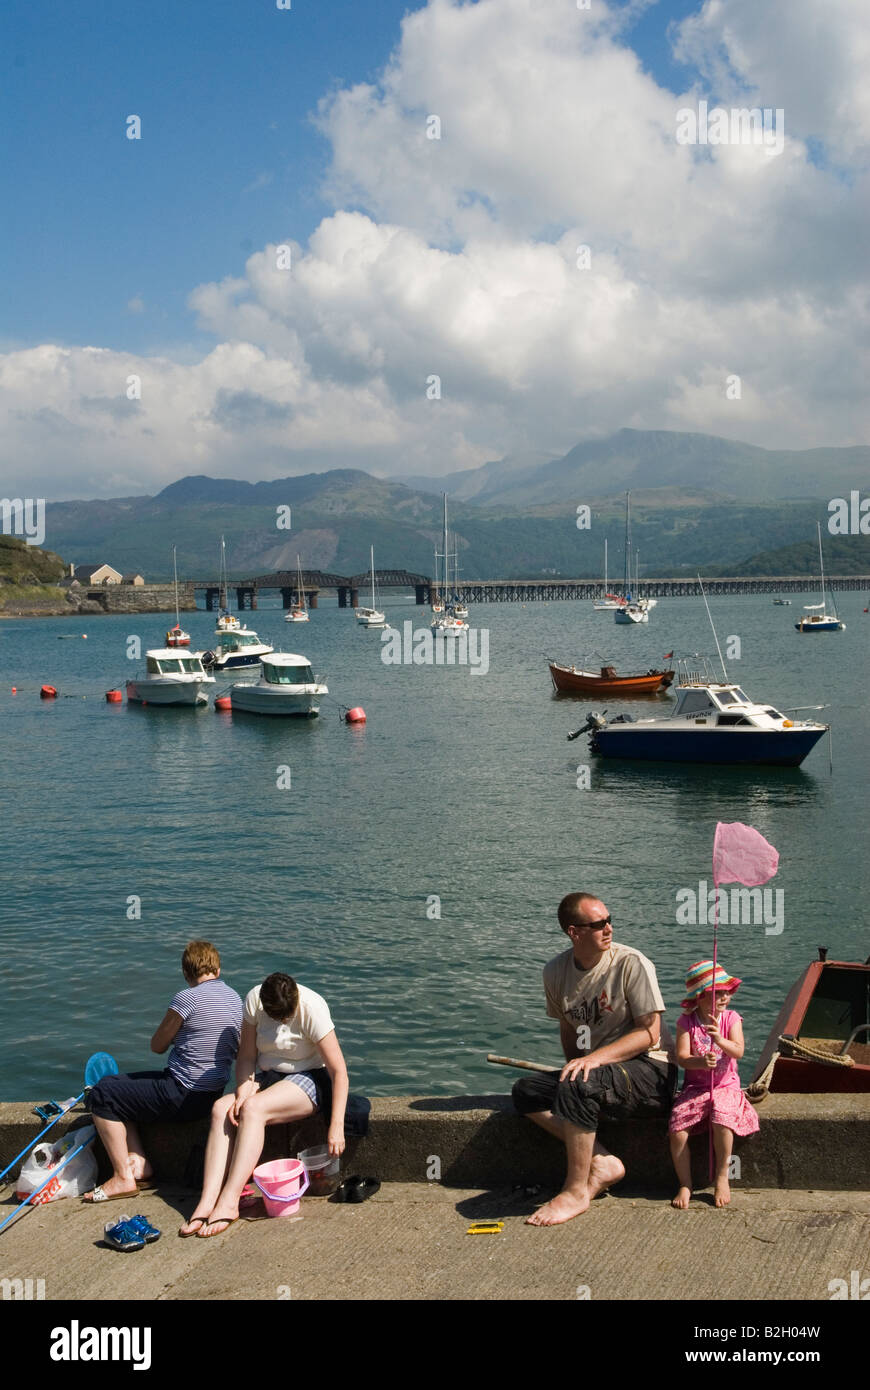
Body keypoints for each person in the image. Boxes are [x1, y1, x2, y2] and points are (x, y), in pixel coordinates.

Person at [513, 892, 675, 1226]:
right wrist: (575, 1065)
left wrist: (593, 1062)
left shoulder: (632, 963)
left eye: (609, 920)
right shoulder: (555, 972)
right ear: (574, 932)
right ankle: (603, 1162)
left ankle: (574, 1193)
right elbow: (568, 1029)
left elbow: (649, 1032)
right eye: (598, 924)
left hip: (650, 1068)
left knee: (580, 1082)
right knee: (526, 1092)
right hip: (600, 1072)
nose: (608, 928)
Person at [181, 971, 349, 1238]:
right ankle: (207, 1200)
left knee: (253, 1109)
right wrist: (244, 1089)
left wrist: (337, 1125)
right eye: (278, 1018)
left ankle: (229, 1200)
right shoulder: (254, 1001)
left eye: (287, 1016)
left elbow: (339, 1071)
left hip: (309, 1078)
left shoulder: (312, 1007)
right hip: (268, 1076)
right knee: (220, 1109)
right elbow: (246, 1056)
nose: (283, 1022)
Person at [83, 940, 243, 1202]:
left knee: (103, 1092)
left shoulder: (186, 998)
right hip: (210, 1095)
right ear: (218, 969)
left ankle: (122, 1177)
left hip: (180, 1094)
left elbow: (157, 1045)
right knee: (122, 1089)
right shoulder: (235, 999)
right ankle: (140, 1165)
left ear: (186, 972)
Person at [669, 959, 759, 1209]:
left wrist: (719, 1039)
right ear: (699, 997)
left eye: (726, 992)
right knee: (677, 1129)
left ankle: (722, 1176)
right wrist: (700, 1062)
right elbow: (683, 1058)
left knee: (722, 1119)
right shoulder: (685, 1022)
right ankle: (685, 1183)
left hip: (726, 1086)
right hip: (696, 1089)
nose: (724, 998)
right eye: (716, 993)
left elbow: (738, 1051)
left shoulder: (731, 1019)